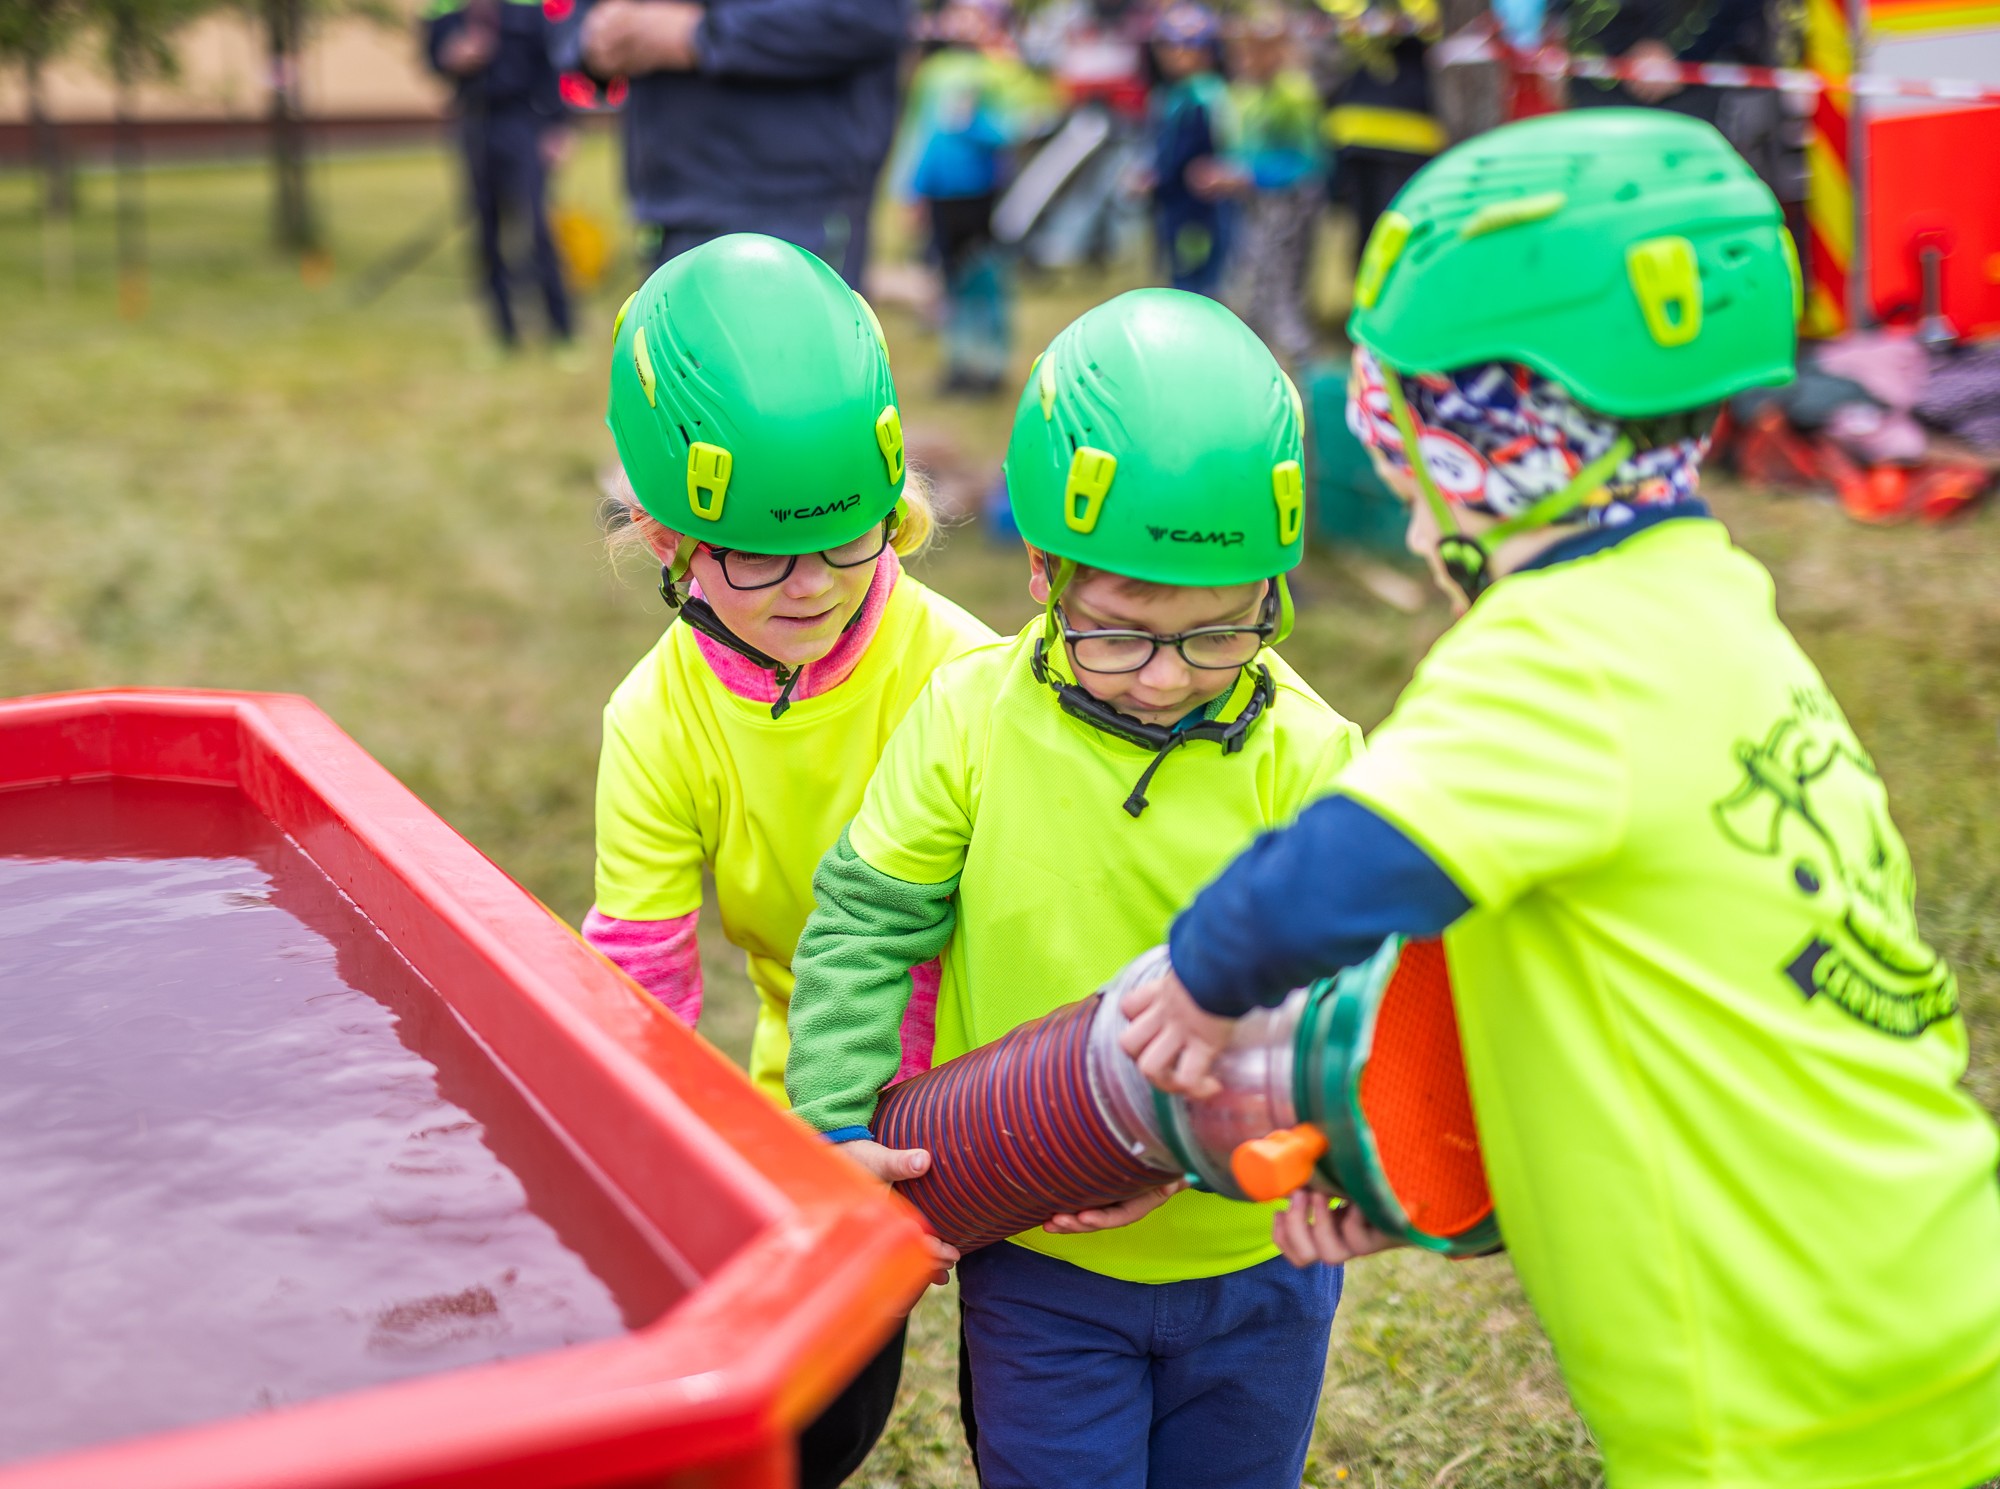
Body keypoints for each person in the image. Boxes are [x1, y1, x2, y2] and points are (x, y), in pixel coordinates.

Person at [1117, 110, 2000, 1489]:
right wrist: (1411, 1162)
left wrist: (1199, 973)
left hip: (1779, 1381)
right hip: (1928, 1279)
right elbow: (1645, 991)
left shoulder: (1557, 655)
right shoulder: (1718, 614)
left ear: (1474, 444)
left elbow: (1342, 868)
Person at [784, 289, 1365, 1489]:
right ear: (1044, 567)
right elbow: (863, 923)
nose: (1163, 678)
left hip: (1255, 1258)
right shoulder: (967, 716)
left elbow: (1357, 1011)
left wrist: (1190, 1153)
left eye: (1219, 634)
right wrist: (836, 1124)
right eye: (1118, 634)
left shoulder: (1312, 758)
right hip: (1038, 1257)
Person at [587, 233, 994, 1487]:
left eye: (846, 539)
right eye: (760, 554)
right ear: (667, 537)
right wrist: (675, 1184)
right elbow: (643, 985)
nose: (811, 586)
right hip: (817, 1088)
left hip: (1000, 1070)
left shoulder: (962, 670)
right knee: (812, 1420)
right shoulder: (654, 720)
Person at [553, 0, 904, 286]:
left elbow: (870, 17)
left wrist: (699, 35)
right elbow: (571, 25)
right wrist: (593, 39)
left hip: (793, 203)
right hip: (670, 206)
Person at [891, 0, 1049, 395]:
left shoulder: (1001, 69)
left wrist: (978, 123)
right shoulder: (933, 71)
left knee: (986, 276)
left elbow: (1026, 124)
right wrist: (911, 188)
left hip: (982, 195)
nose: (963, 23)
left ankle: (991, 365)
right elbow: (920, 131)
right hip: (941, 194)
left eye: (974, 14)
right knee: (951, 278)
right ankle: (959, 363)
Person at [424, 0, 574, 346]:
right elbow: (431, 58)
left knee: (537, 226)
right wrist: (452, 57)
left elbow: (550, 66)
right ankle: (504, 333)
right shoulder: (446, 12)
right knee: (486, 230)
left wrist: (559, 126)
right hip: (475, 124)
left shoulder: (525, 10)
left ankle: (561, 328)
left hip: (520, 123)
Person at [1225, 6, 1323, 362]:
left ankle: (1299, 352)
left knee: (1281, 277)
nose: (1244, 61)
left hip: (1291, 201)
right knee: (1251, 272)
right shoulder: (1246, 93)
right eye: (1239, 53)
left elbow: (1308, 160)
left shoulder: (1295, 94)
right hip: (1255, 201)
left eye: (1253, 52)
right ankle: (1249, 345)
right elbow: (1245, 148)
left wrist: (1249, 175)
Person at [1314, 0, 1443, 258]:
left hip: (1405, 137)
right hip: (1361, 136)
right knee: (1371, 235)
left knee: (1397, 230)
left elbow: (1432, 26)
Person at [1147, 3, 1237, 297]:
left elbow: (1218, 147)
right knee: (1181, 266)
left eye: (1186, 45)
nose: (1174, 54)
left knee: (1198, 273)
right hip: (1175, 200)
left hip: (1200, 205)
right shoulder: (1172, 93)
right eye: (1167, 45)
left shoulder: (1206, 94)